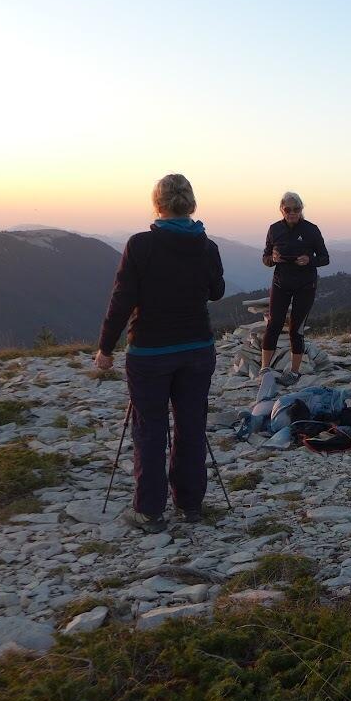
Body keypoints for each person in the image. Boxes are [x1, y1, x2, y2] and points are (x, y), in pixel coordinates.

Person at [95, 173, 225, 533]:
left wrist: (106, 348)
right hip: (198, 348)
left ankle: (149, 511)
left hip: (150, 351)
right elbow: (216, 291)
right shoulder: (207, 246)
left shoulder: (140, 245)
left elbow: (122, 300)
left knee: (150, 429)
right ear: (191, 204)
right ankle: (190, 504)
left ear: (157, 204)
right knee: (191, 425)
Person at [261, 191, 329, 387]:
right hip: (281, 283)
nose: (292, 213)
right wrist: (272, 259)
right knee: (274, 324)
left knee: (296, 329)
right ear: (281, 210)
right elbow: (265, 257)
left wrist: (309, 260)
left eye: (296, 209)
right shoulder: (274, 229)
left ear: (301, 209)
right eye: (287, 209)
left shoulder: (311, 230)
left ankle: (294, 372)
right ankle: (265, 369)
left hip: (305, 285)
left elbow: (325, 258)